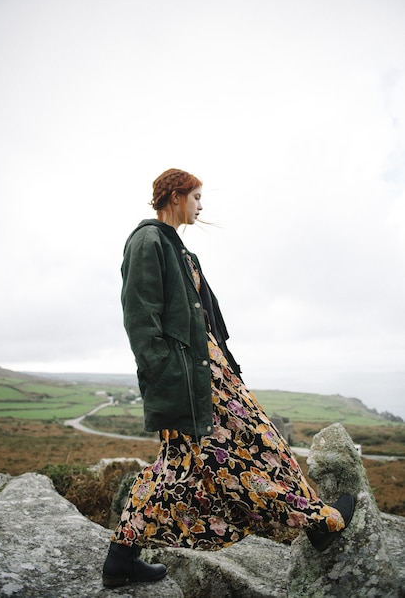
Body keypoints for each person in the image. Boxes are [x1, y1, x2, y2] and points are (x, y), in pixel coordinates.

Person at [102, 168, 355, 588]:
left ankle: (121, 558)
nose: (201, 206)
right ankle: (318, 522)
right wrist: (166, 375)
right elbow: (140, 320)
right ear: (176, 195)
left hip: (208, 372)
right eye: (197, 197)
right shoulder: (147, 241)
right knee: (245, 447)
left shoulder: (180, 250)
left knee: (187, 465)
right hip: (189, 378)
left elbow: (203, 322)